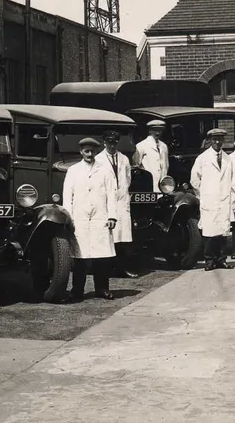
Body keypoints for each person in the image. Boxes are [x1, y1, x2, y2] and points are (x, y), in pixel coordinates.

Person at [64, 137, 118, 301]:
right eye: (86, 151)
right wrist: (69, 218)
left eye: (92, 151)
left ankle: (102, 289)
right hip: (79, 219)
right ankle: (77, 291)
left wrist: (112, 216)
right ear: (81, 152)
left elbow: (112, 194)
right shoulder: (73, 170)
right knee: (80, 257)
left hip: (100, 218)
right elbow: (68, 196)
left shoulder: (105, 170)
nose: (89, 154)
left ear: (96, 152)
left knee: (101, 257)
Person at [190, 128, 234, 271]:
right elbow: (194, 180)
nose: (217, 142)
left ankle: (221, 259)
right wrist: (202, 195)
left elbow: (231, 178)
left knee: (222, 232)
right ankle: (209, 261)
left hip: (224, 199)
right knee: (209, 232)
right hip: (209, 199)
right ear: (210, 140)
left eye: (220, 139)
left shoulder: (228, 159)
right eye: (215, 139)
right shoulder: (202, 158)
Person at [97, 129, 138, 279]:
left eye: (114, 142)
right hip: (106, 202)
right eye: (109, 142)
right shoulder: (99, 159)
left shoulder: (124, 159)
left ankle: (122, 269)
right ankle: (108, 270)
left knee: (122, 239)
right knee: (108, 238)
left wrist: (121, 193)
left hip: (121, 201)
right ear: (104, 142)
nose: (112, 145)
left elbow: (127, 179)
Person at [133, 120, 169, 188]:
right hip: (147, 184)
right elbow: (136, 165)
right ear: (150, 131)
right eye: (155, 130)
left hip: (162, 185)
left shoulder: (164, 146)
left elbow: (166, 165)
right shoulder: (141, 146)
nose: (157, 133)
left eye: (160, 130)